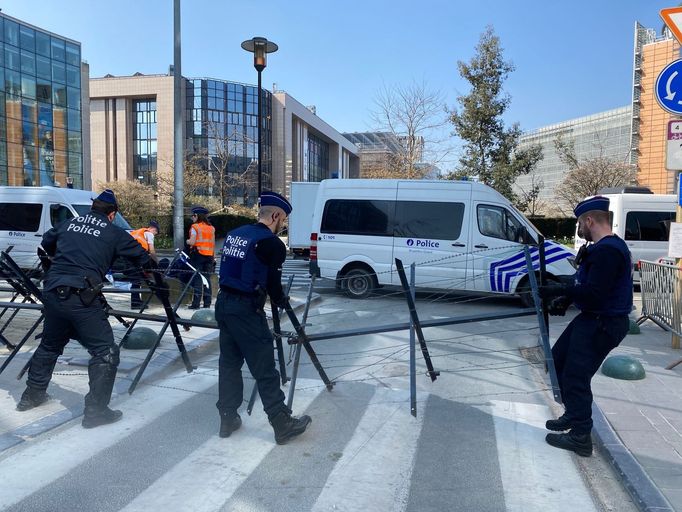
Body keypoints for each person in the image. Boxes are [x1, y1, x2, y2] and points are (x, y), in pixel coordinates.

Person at [15, 189, 152, 428]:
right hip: (81, 297)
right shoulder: (113, 232)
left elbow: (46, 243)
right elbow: (141, 259)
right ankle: (96, 411)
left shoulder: (70, 223)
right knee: (105, 352)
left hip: (54, 292)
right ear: (112, 214)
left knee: (49, 345)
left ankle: (31, 396)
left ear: (92, 208)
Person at [215, 191, 311, 444]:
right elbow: (273, 285)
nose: (283, 226)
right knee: (265, 368)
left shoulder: (235, 234)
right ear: (276, 216)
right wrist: (281, 301)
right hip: (246, 309)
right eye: (284, 221)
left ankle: (227, 417)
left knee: (229, 364)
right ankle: (281, 422)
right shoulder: (272, 243)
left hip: (223, 303)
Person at [540, 195, 632, 457]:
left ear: (589, 221)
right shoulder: (601, 250)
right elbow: (584, 282)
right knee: (557, 361)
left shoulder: (609, 251)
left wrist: (560, 288)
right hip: (593, 317)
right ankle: (574, 414)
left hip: (603, 322)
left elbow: (595, 293)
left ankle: (581, 436)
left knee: (576, 375)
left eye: (579, 223)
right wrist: (564, 298)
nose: (578, 228)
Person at [186, 206, 215, 309]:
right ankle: (207, 304)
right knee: (207, 279)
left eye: (193, 216)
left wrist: (187, 241)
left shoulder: (195, 227)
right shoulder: (211, 228)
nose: (192, 218)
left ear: (197, 215)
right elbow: (212, 243)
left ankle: (196, 303)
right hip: (209, 256)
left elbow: (192, 241)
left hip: (198, 254)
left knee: (197, 278)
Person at [129, 220, 160, 309]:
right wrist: (157, 262)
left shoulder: (137, 232)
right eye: (156, 233)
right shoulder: (149, 234)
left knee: (136, 280)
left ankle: (136, 300)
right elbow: (152, 250)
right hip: (137, 258)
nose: (155, 235)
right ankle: (135, 303)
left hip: (129, 257)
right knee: (136, 281)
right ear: (153, 229)